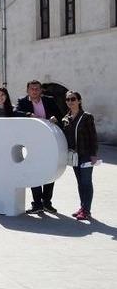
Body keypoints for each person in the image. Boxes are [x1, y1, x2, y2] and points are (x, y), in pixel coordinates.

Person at [16, 80, 63, 214]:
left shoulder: (49, 100)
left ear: (41, 90)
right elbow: (15, 112)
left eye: (37, 89)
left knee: (50, 170)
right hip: (31, 142)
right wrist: (28, 114)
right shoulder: (23, 101)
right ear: (28, 90)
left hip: (49, 141)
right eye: (32, 89)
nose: (35, 91)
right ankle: (37, 203)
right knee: (33, 170)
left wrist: (55, 118)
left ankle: (47, 202)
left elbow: (59, 114)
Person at [61, 91, 99, 221]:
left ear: (79, 101)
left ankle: (86, 210)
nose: (70, 102)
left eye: (73, 99)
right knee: (80, 183)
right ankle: (82, 207)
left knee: (86, 182)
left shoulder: (86, 117)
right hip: (75, 156)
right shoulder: (66, 118)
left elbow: (93, 137)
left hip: (86, 154)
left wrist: (94, 154)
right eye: (68, 100)